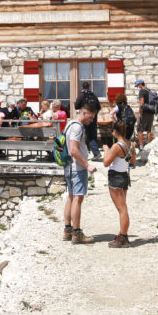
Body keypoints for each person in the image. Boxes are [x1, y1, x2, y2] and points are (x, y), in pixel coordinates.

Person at [62, 105, 97, 244]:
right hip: (78, 168)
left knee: (70, 197)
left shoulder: (69, 124)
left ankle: (67, 230)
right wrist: (87, 165)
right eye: (91, 117)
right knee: (78, 199)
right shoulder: (77, 127)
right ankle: (77, 233)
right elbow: (74, 150)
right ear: (84, 113)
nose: (92, 120)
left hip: (68, 167)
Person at [102, 120, 134, 248]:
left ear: (115, 131)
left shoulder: (116, 146)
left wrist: (106, 150)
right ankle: (122, 233)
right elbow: (133, 160)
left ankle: (123, 237)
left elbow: (105, 163)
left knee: (122, 209)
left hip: (115, 177)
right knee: (123, 207)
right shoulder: (131, 144)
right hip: (124, 176)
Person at [74, 82, 101, 158]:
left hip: (85, 116)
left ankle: (83, 153)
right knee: (93, 135)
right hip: (93, 117)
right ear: (89, 87)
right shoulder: (93, 95)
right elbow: (99, 107)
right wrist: (93, 114)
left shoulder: (81, 95)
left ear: (82, 87)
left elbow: (76, 106)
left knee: (83, 134)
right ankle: (96, 153)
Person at [135, 80, 154, 148]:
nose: (138, 87)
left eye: (137, 85)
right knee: (149, 130)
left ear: (140, 84)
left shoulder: (142, 91)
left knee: (140, 130)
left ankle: (141, 146)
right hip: (151, 111)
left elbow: (142, 102)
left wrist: (139, 112)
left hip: (145, 112)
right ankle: (149, 146)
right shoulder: (149, 90)